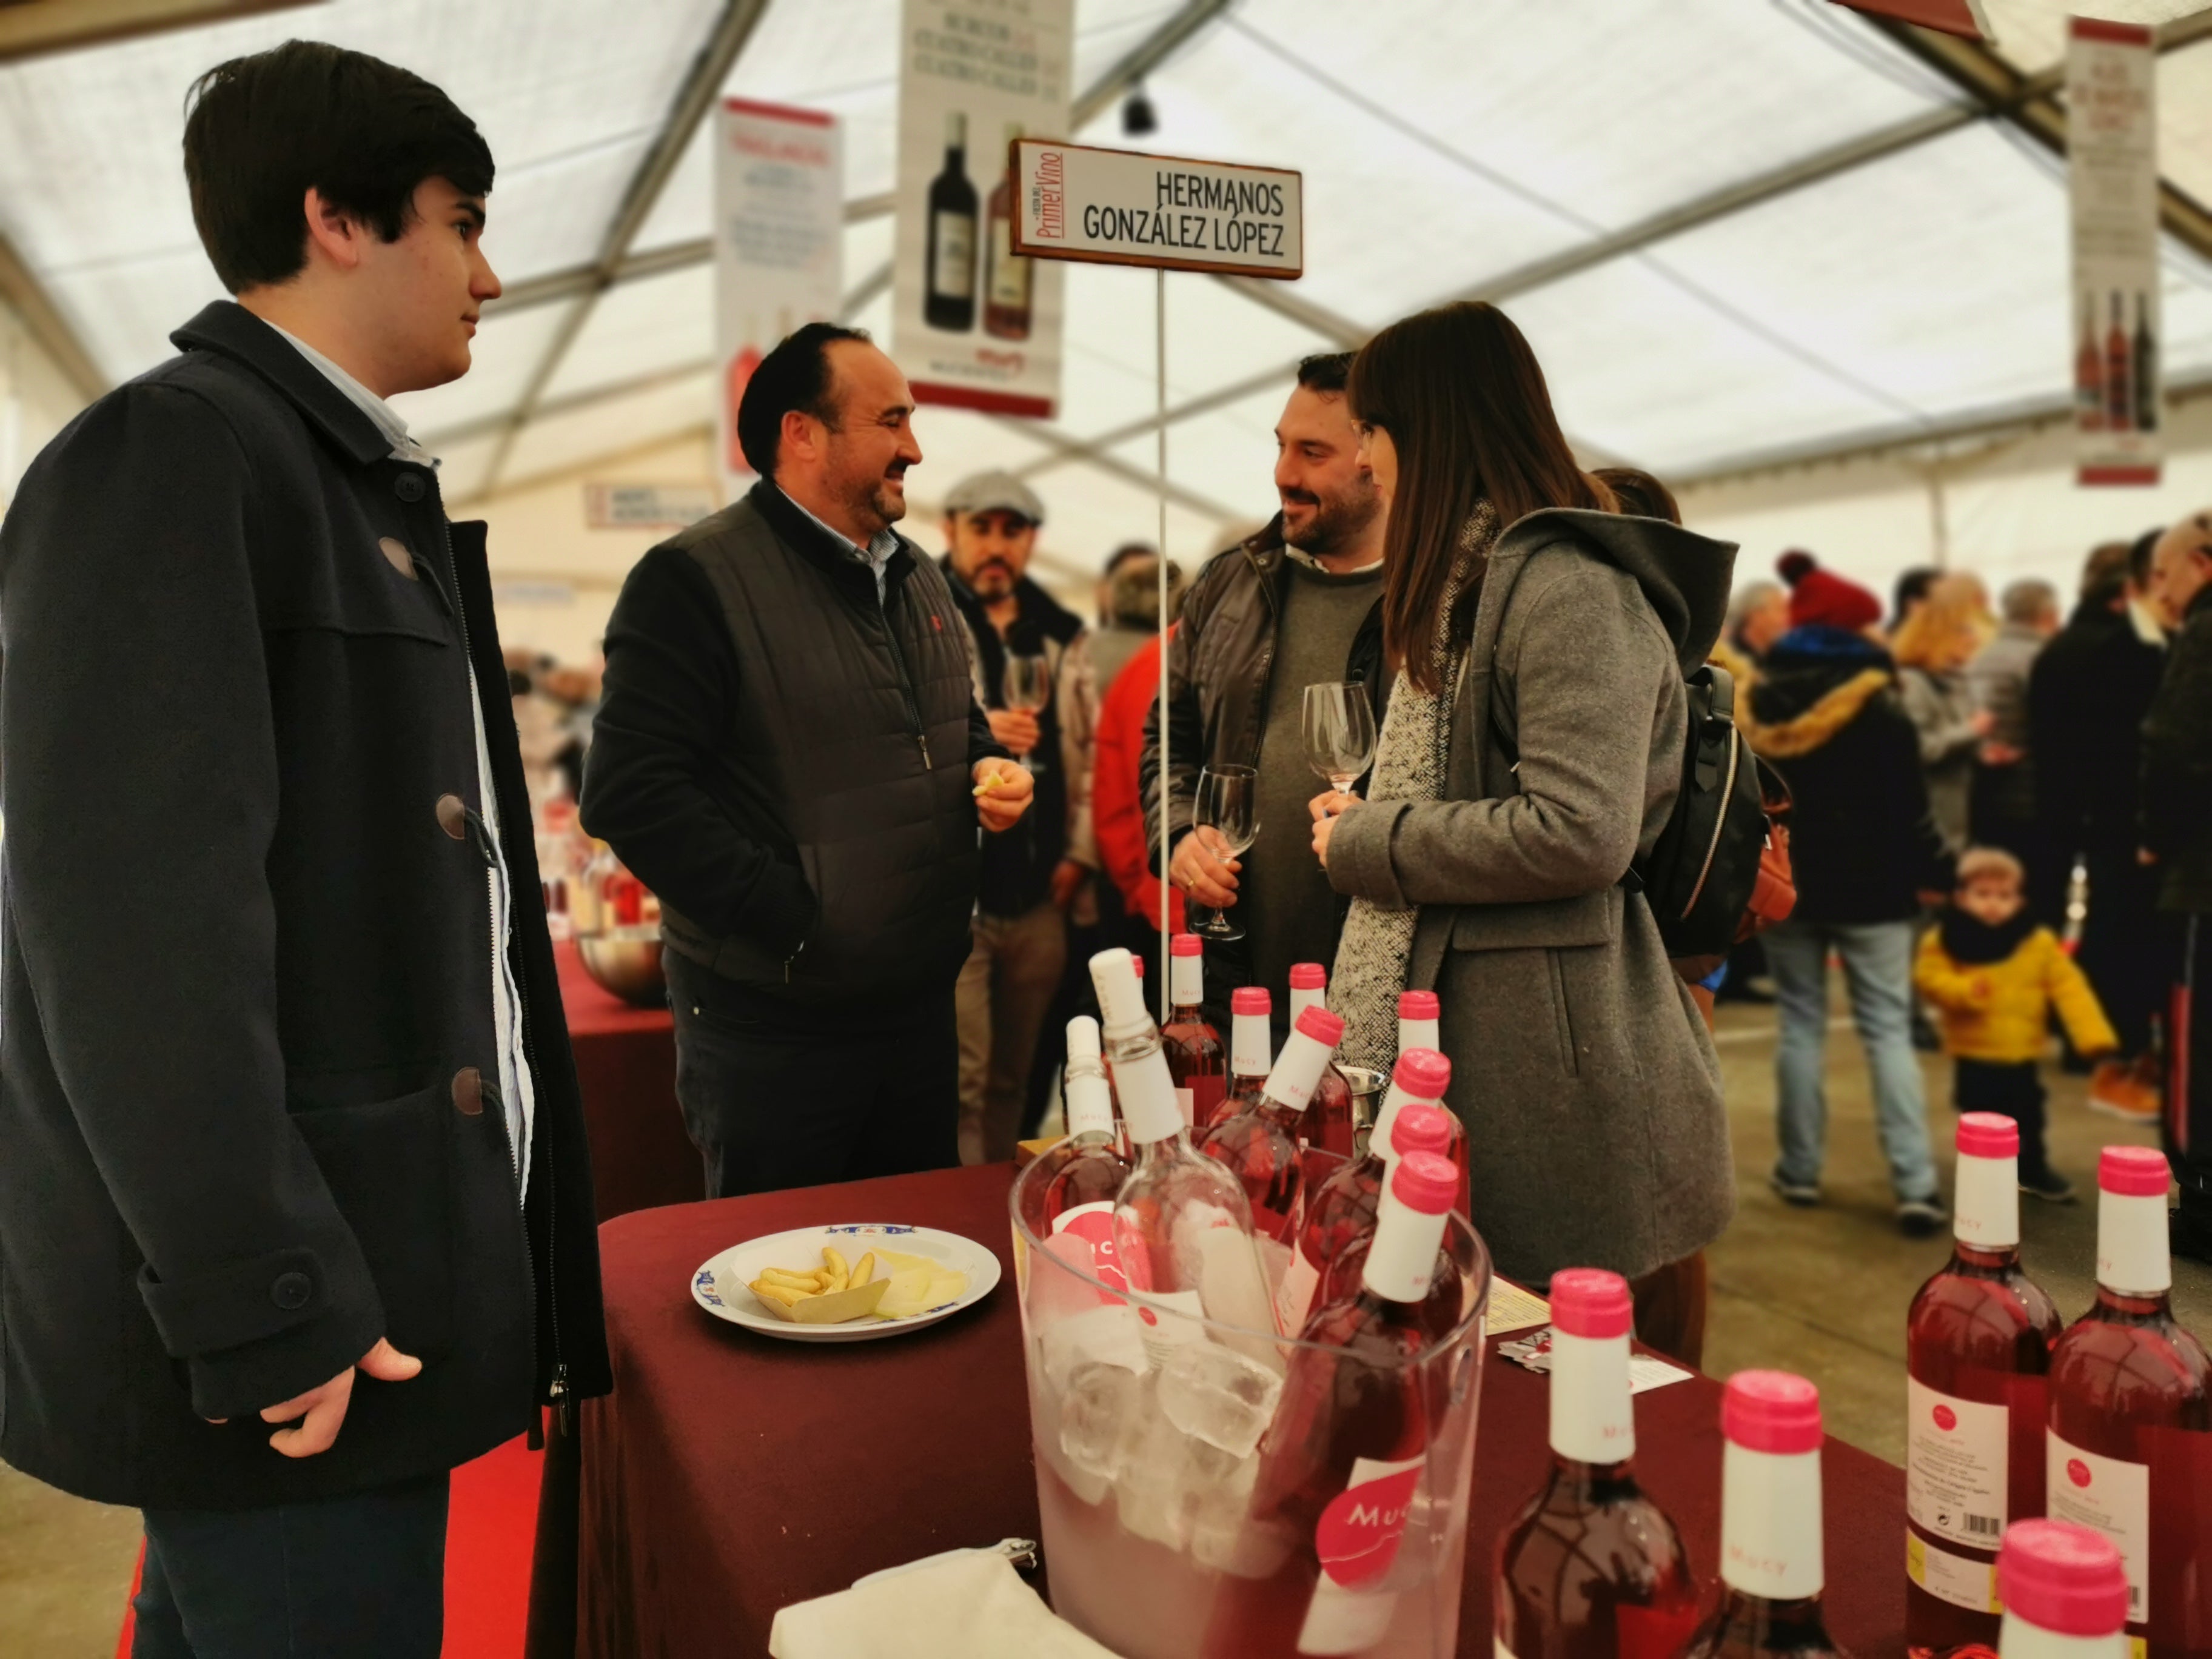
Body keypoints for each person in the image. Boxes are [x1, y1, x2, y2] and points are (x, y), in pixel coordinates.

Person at [0, 43, 610, 1658]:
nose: (488, 273)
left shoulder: (339, 481)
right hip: (298, 1337)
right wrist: (267, 1304)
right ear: (337, 219)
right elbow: (134, 943)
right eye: (460, 221)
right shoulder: (177, 457)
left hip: (343, 1298)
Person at [1309, 301, 1734, 1360]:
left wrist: (1370, 838)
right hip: (1495, 1046)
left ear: (1429, 429)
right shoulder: (1475, 585)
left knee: (1551, 1370)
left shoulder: (1567, 588)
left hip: (1554, 1068)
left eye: (1371, 429)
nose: (1365, 461)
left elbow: (1577, 830)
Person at [581, 324, 1030, 1199]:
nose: (915, 447)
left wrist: (984, 770)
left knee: (916, 1278)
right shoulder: (693, 581)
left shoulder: (920, 576)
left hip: (915, 1013)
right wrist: (792, 920)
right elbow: (630, 793)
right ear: (803, 434)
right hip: (774, 1034)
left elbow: (952, 722)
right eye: (891, 421)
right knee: (781, 1285)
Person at [1145, 351, 1389, 1027]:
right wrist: (1174, 836)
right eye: (1282, 447)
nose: (1284, 473)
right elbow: (1169, 737)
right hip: (1233, 970)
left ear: (1378, 455)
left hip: (1374, 981)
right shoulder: (1229, 584)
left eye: (1313, 452)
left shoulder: (1437, 602)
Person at [1746, 552, 1954, 1235]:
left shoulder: (1758, 699)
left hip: (1791, 889)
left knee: (1800, 1027)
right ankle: (1916, 1185)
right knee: (1888, 1029)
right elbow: (1911, 809)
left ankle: (1798, 1172)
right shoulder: (1881, 706)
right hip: (1877, 892)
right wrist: (1941, 872)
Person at [938, 470, 1096, 1164]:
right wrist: (971, 736)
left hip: (1040, 897)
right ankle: (956, 1216)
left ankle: (998, 1206)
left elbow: (1090, 754)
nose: (996, 545)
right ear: (951, 531)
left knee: (1019, 1079)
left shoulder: (1062, 633)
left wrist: (1080, 857)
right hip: (958, 897)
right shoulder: (919, 613)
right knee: (961, 1081)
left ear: (1032, 541)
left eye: (1012, 530)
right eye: (982, 528)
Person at [2028, 537, 2171, 1121]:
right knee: (2119, 932)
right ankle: (2115, 1048)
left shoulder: (2059, 648)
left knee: (2065, 921)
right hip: (2120, 816)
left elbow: (2043, 733)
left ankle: (2071, 1033)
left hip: (2061, 807)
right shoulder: (2135, 651)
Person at [1914, 847, 2117, 1202]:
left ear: (2020, 900)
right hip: (1974, 1052)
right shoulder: (1947, 940)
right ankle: (1981, 1176)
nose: (1994, 904)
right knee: (1979, 1118)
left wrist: (2092, 1036)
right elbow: (1928, 978)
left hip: (2021, 1051)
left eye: (2004, 896)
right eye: (1982, 894)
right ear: (1961, 897)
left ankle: (2032, 1169)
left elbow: (2071, 988)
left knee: (2029, 1114)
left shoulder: (2037, 942)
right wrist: (1964, 991)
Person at [2140, 512, 2212, 1259]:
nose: (2157, 591)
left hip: (2203, 878)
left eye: (2164, 574)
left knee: (2199, 1044)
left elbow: (2175, 742)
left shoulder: (2205, 630)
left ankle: (2203, 1203)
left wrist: (2155, 837)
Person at [1968, 577, 2063, 919]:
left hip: (1983, 794)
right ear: (2050, 615)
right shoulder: (2043, 658)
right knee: (2032, 897)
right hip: (2032, 795)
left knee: (1991, 891)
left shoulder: (1979, 657)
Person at [1893, 575, 1992, 853]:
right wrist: (1972, 731)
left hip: (1960, 816)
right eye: (1964, 631)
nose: (1973, 639)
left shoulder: (1955, 679)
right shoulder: (1913, 683)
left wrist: (1983, 751)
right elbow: (1922, 748)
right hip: (1935, 820)